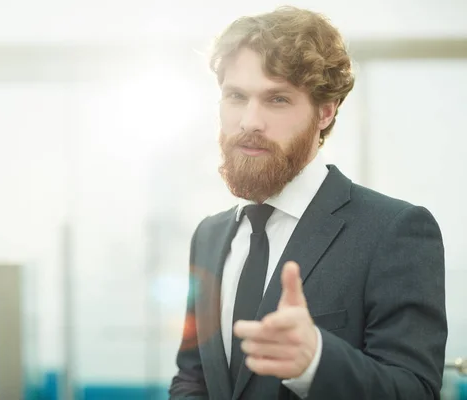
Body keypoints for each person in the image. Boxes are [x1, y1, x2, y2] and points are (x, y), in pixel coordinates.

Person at [168, 6, 447, 400]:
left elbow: (416, 391)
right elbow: (193, 376)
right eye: (236, 96)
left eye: (277, 99)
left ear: (325, 111)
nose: (250, 121)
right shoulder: (210, 236)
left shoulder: (395, 231)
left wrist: (315, 361)